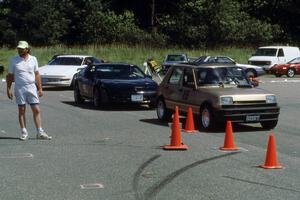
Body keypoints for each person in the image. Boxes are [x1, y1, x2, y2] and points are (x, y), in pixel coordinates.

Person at [6, 41, 52, 141]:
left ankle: (40, 132)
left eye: (22, 49)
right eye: (18, 48)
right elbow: (9, 76)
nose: (19, 50)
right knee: (21, 110)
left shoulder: (33, 59)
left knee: (36, 110)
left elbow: (37, 74)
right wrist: (8, 89)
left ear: (27, 49)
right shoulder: (14, 60)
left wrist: (40, 88)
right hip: (20, 87)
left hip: (31, 87)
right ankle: (24, 132)